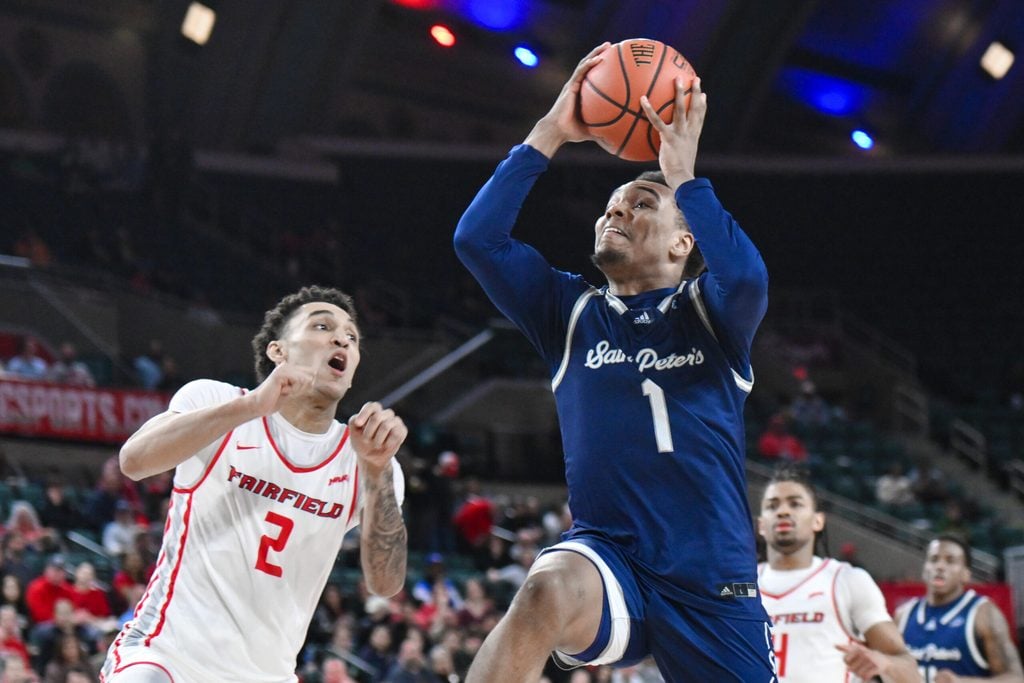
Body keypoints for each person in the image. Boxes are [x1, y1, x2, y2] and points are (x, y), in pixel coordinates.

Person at [453, 43, 775, 681]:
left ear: (685, 241)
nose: (616, 210)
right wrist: (551, 132)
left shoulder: (712, 311)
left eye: (641, 204)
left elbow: (747, 278)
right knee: (544, 591)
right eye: (612, 204)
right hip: (611, 561)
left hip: (710, 578)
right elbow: (477, 239)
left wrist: (683, 178)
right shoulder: (568, 311)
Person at [100, 285, 409, 682]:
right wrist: (251, 407)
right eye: (322, 326)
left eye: (352, 337)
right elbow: (134, 461)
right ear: (278, 351)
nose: (341, 339)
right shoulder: (217, 400)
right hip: (166, 654)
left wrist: (379, 470)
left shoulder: (367, 460)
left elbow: (386, 583)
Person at [757, 464, 918, 682]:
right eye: (772, 506)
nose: (783, 511)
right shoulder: (742, 586)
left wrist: (885, 663)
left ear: (818, 520)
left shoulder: (847, 580)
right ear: (761, 525)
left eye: (795, 504)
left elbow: (911, 673)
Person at [896, 536, 1024, 682]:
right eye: (934, 559)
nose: (940, 566)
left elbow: (1016, 679)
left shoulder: (983, 614)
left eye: (950, 561)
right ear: (925, 568)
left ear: (966, 574)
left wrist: (961, 682)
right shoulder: (903, 614)